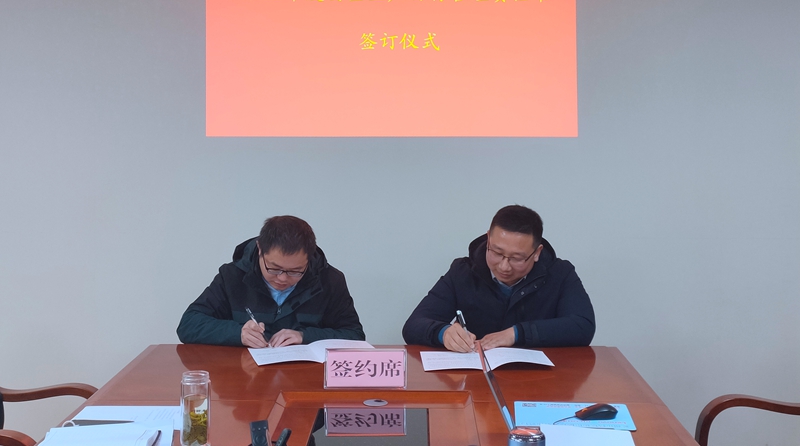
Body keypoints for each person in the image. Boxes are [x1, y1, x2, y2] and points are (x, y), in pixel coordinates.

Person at [402, 205, 594, 352]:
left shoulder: (560, 273)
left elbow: (582, 326)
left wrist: (516, 333)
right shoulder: (463, 272)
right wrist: (443, 333)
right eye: (496, 252)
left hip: (539, 381)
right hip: (479, 379)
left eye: (516, 258)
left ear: (537, 253)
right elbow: (413, 325)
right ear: (488, 239)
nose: (504, 266)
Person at [177, 215, 365, 347]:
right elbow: (188, 325)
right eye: (274, 268)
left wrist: (305, 336)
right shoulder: (233, 276)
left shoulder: (330, 281)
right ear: (260, 249)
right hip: (244, 378)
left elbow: (354, 335)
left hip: (305, 378)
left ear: (309, 257)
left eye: (295, 271)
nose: (282, 278)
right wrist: (238, 333)